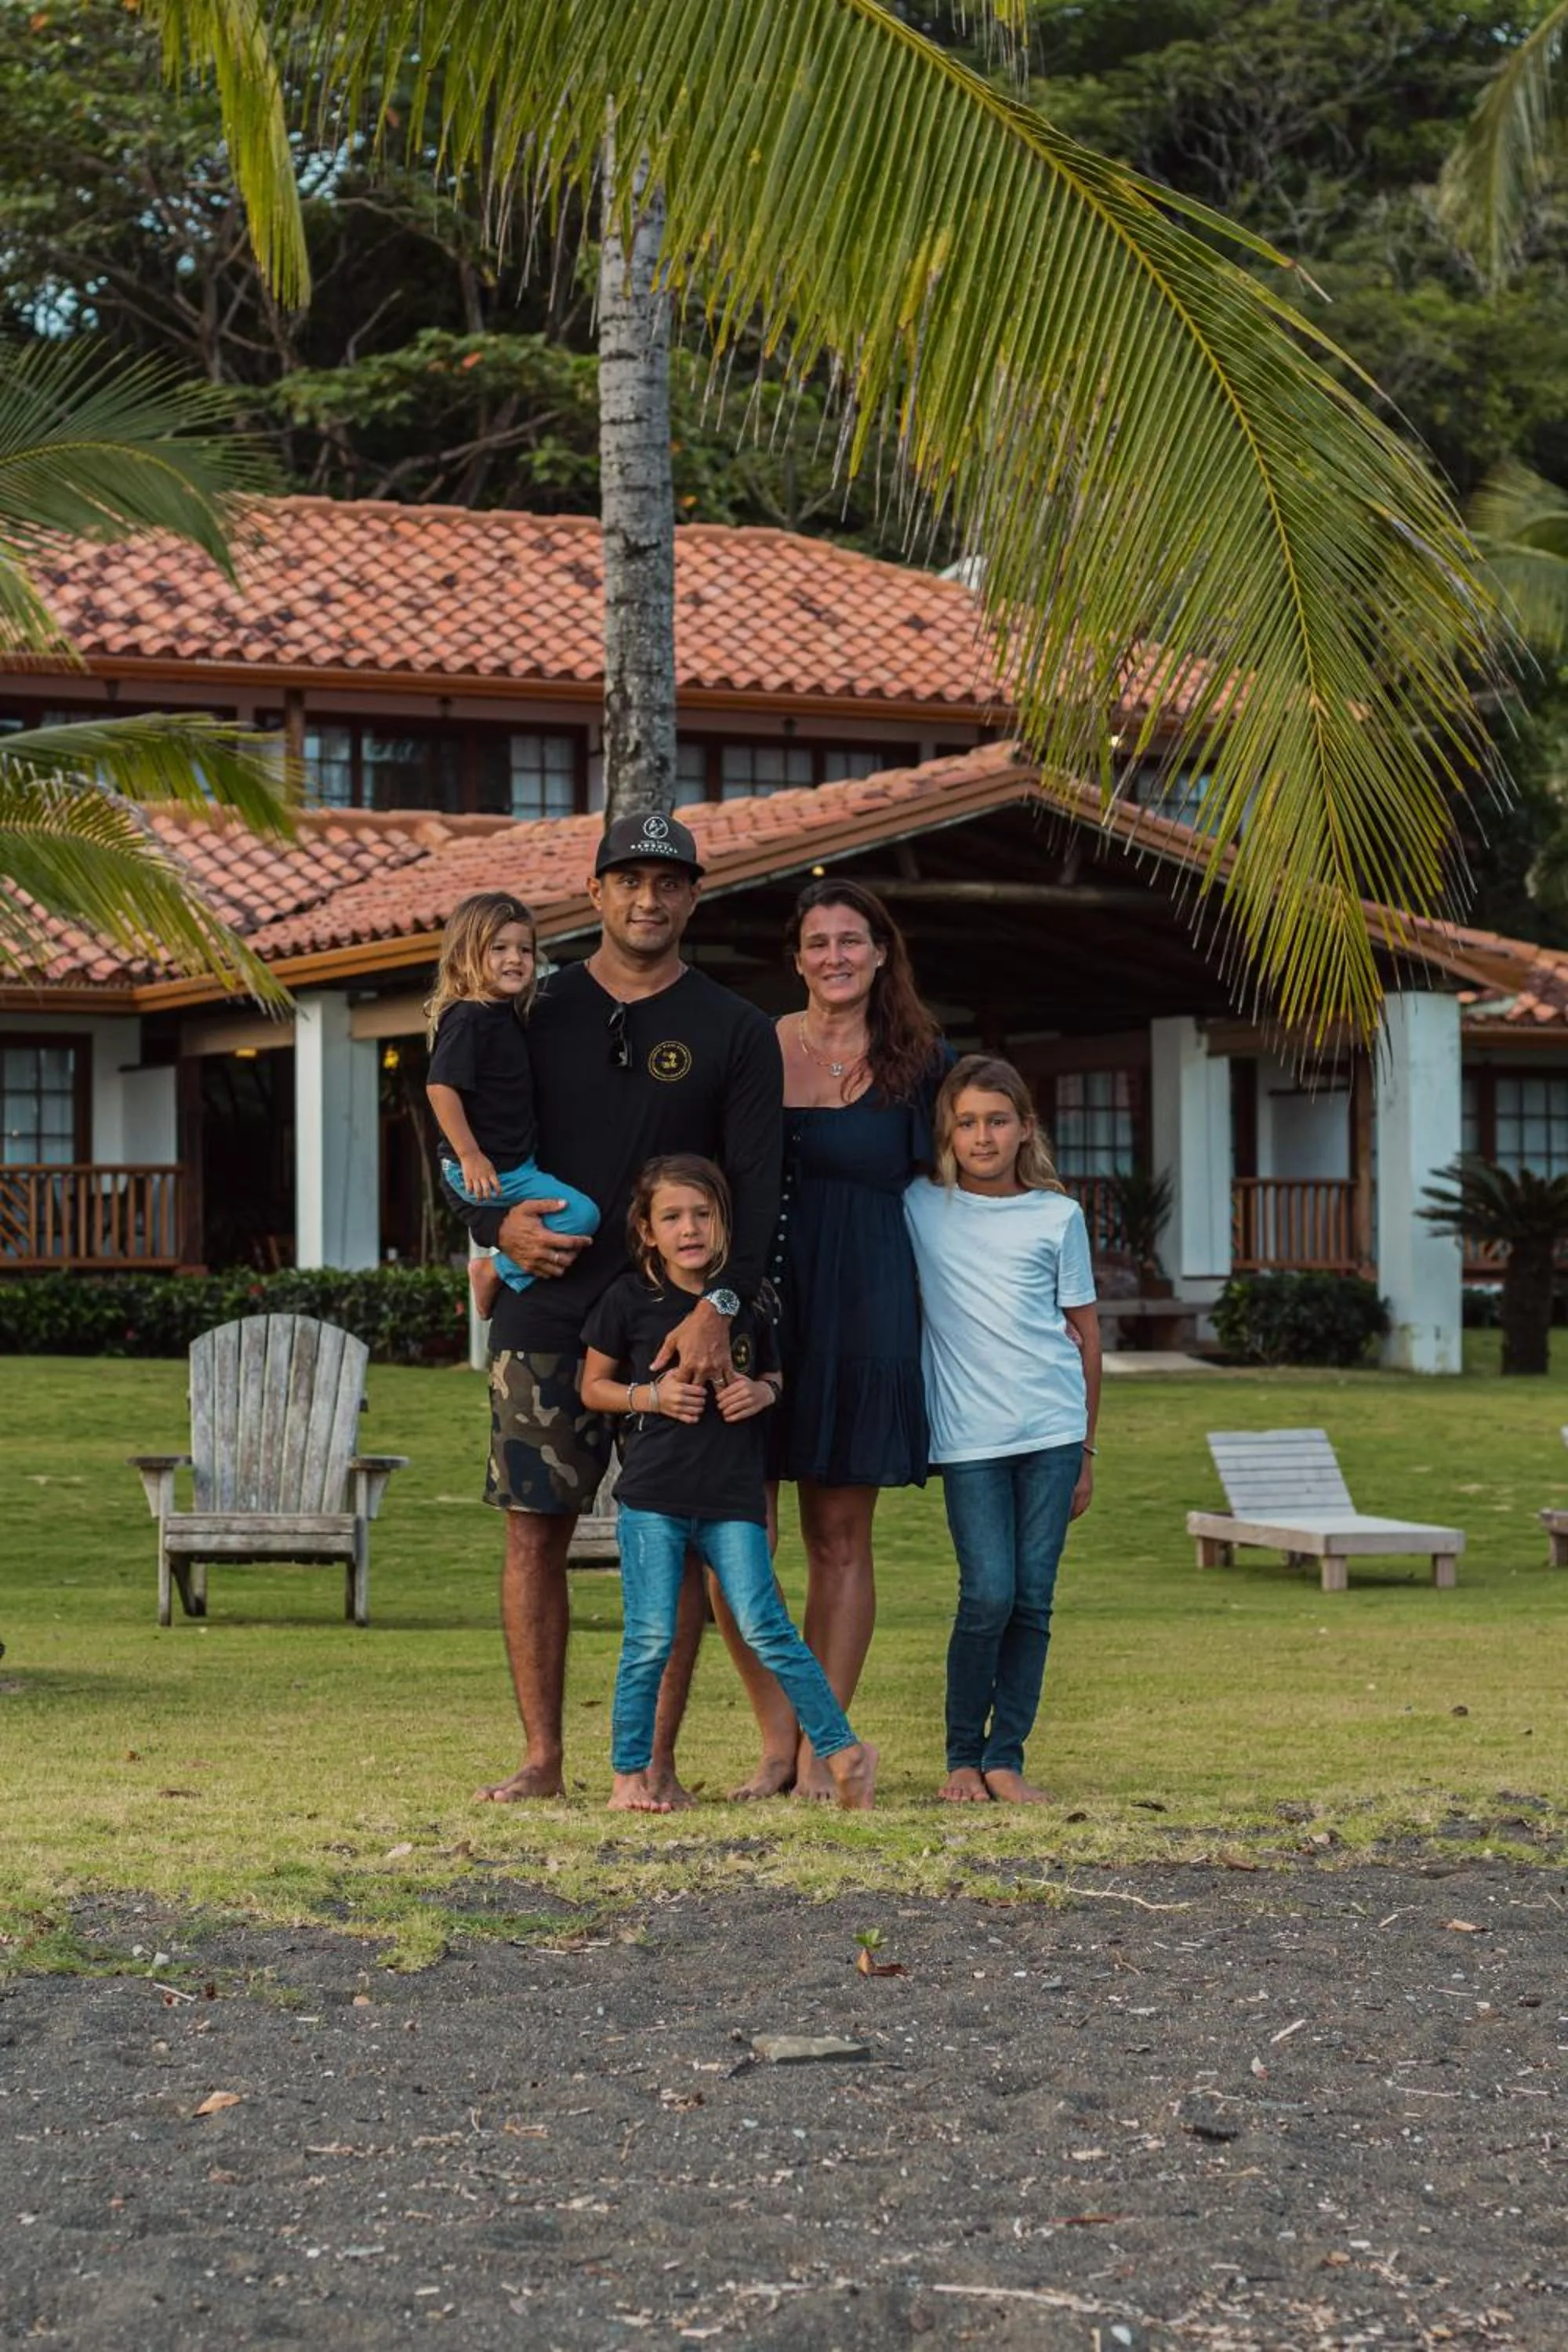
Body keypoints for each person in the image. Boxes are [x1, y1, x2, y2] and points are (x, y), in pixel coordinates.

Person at [450, 811, 783, 1806]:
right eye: (628, 881)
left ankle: (651, 1762)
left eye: (669, 882)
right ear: (594, 894)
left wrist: (721, 1302)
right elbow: (459, 1139)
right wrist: (491, 1228)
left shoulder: (734, 1028)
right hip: (544, 1312)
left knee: (673, 1534)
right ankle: (544, 1759)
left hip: (674, 1327)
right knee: (531, 1528)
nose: (649, 899)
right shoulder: (523, 1007)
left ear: (693, 896)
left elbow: (759, 1194)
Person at [724, 878, 947, 1803]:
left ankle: (825, 1749)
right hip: (760, 1312)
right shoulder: (753, 1049)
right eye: (816, 943)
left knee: (839, 1537)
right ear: (797, 957)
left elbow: (972, 1175)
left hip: (867, 1312)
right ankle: (776, 1742)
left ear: (881, 951)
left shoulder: (925, 1062)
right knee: (740, 1532)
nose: (834, 957)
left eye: (851, 940)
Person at [580, 1156, 877, 1813]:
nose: (690, 1229)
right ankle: (630, 1776)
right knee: (650, 1637)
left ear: (723, 1224)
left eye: (703, 1215)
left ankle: (844, 1752)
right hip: (653, 1499)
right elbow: (591, 1387)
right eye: (673, 1217)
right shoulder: (628, 1300)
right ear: (647, 1230)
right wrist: (650, 1397)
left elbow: (773, 1376)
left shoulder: (747, 1305)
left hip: (732, 1501)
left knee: (769, 1628)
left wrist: (759, 1394)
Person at [902, 1054, 1102, 1806]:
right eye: (967, 1122)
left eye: (997, 1121)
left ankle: (1004, 1757)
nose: (982, 1136)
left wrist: (1085, 1448)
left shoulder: (1058, 1215)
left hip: (1051, 1432)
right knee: (986, 1594)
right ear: (947, 1133)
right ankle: (961, 1754)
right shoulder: (920, 1205)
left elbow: (1086, 1337)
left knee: (1033, 1600)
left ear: (1025, 1130)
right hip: (969, 1440)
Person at [424, 891, 600, 1308]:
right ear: (467, 954)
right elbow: (440, 1088)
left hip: (515, 1162)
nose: (515, 959)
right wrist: (470, 1156)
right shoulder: (468, 1017)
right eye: (498, 949)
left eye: (524, 949)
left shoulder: (503, 1013)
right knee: (582, 1215)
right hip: (491, 1171)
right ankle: (493, 1271)